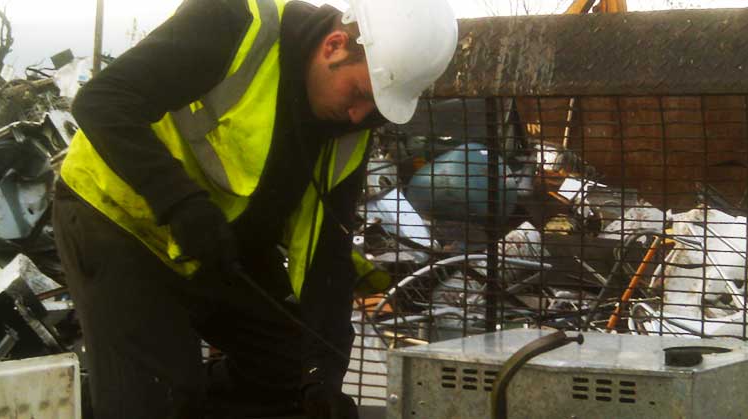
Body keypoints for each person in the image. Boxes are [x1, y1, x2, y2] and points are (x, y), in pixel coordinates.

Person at [52, 0, 457, 417]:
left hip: (214, 243)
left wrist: (324, 374)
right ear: (334, 45)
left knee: (289, 370)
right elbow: (102, 101)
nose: (358, 115)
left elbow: (325, 258)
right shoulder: (233, 22)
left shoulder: (350, 129)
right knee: (156, 398)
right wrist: (179, 202)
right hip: (116, 218)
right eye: (357, 94)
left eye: (374, 111)